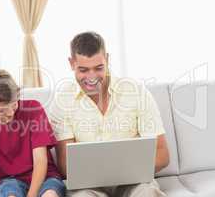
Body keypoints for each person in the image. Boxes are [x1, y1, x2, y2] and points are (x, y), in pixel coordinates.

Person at [49, 32, 170, 197]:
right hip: (87, 187)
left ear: (107, 59)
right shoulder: (63, 100)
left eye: (98, 68)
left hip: (134, 183)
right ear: (71, 63)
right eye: (83, 70)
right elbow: (66, 166)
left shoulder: (136, 92)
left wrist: (121, 172)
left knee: (147, 193)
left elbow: (162, 154)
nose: (92, 78)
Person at [0, 69, 66, 197]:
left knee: (50, 195)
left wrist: (31, 195)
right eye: (1, 110)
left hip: (45, 177)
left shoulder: (34, 109)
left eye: (14, 104)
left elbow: (40, 161)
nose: (10, 113)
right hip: (9, 181)